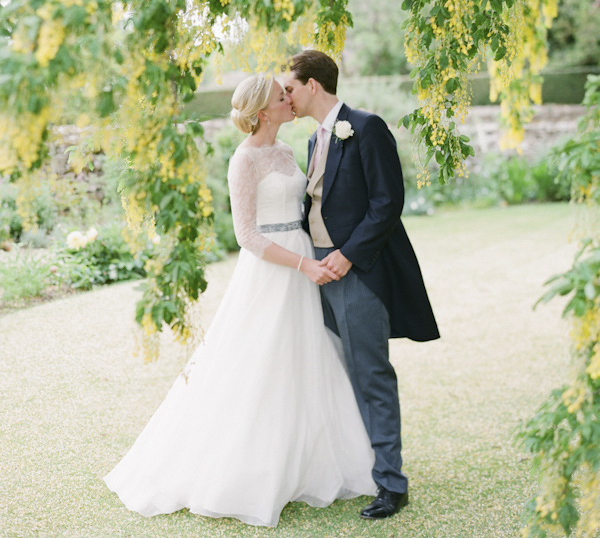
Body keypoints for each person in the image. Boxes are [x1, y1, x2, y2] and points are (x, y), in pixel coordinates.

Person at [104, 73, 377, 528]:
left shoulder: (288, 151)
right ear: (259, 112)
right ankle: (252, 471)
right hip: (273, 270)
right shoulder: (244, 160)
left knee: (306, 358)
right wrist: (303, 265)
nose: (289, 100)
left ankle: (313, 462)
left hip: (305, 259)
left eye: (287, 94)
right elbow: (246, 236)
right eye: (280, 97)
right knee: (259, 362)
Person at [284, 49, 440, 520]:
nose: (285, 97)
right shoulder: (314, 141)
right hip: (315, 273)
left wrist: (347, 257)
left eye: (289, 88)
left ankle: (392, 484)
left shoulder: (366, 127)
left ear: (313, 85)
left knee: (370, 375)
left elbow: (387, 203)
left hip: (357, 274)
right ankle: (350, 467)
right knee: (335, 373)